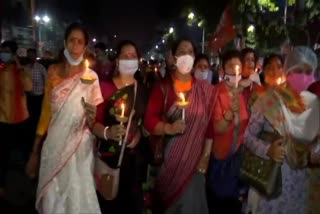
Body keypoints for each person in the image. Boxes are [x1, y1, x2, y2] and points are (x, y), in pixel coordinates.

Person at [25, 23, 103, 214]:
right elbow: (45, 114)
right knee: (53, 199)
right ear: (65, 43)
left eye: (80, 42)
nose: (75, 46)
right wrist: (35, 150)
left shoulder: (91, 77)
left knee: (77, 198)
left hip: (79, 147)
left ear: (85, 47)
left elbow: (94, 118)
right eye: (72, 41)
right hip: (53, 145)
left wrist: (92, 116)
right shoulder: (52, 72)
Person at [144, 38, 215, 214]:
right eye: (182, 52)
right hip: (168, 164)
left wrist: (205, 156)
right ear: (174, 57)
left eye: (190, 52)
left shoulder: (205, 90)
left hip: (195, 165)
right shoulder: (164, 88)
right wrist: (169, 128)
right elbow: (149, 120)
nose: (186, 56)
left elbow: (210, 126)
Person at [244, 53, 320, 214]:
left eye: (308, 72)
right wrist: (267, 150)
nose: (303, 77)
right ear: (288, 72)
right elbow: (247, 136)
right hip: (274, 180)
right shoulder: (268, 100)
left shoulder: (313, 103)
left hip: (300, 183)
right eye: (298, 71)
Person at [90, 40, 148, 214]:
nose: (129, 58)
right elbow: (93, 122)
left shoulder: (143, 90)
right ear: (117, 60)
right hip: (109, 159)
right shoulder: (104, 87)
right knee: (109, 205)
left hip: (133, 161)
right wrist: (108, 132)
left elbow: (145, 124)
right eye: (125, 55)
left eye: (133, 55)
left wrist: (138, 134)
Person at [206, 50, 249, 214]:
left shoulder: (243, 93)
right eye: (231, 66)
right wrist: (229, 113)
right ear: (222, 70)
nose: (235, 70)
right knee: (219, 204)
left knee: (234, 205)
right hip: (220, 160)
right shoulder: (216, 92)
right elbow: (217, 128)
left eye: (238, 66)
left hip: (237, 158)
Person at [0, 40, 32, 199]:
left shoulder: (20, 69)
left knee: (25, 150)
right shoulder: (1, 68)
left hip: (21, 118)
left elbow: (29, 87)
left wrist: (20, 69)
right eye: (2, 50)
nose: (3, 53)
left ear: (13, 53)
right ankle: (2, 185)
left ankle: (29, 177)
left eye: (6, 50)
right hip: (3, 118)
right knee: (2, 154)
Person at [26, 48, 47, 144]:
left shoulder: (40, 67)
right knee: (31, 116)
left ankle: (39, 135)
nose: (30, 56)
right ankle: (32, 134)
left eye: (32, 54)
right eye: (28, 54)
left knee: (38, 116)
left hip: (39, 96)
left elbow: (47, 81)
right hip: (30, 96)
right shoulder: (26, 67)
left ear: (35, 55)